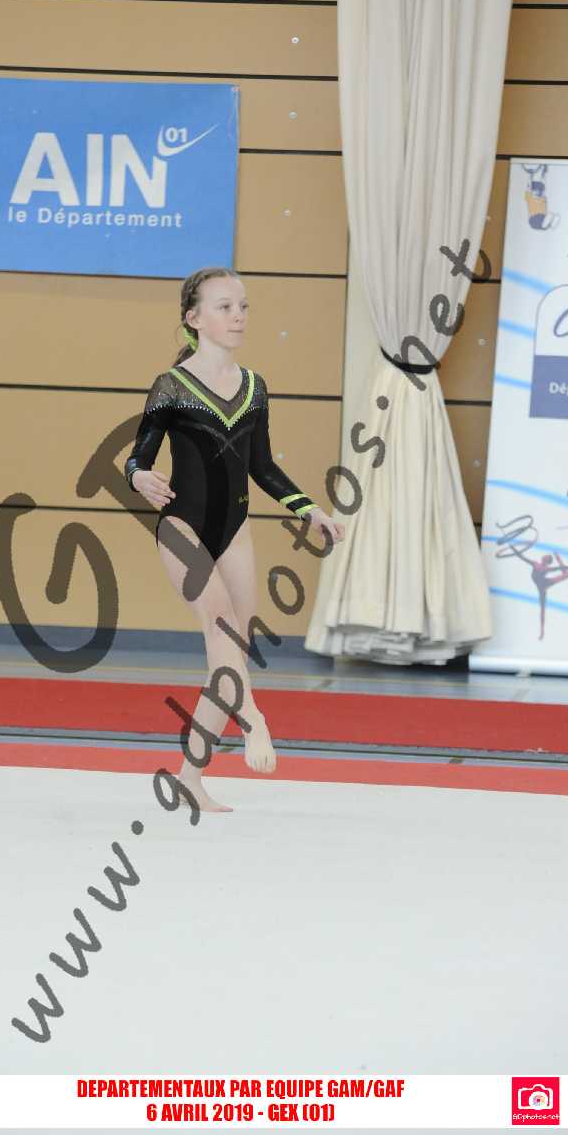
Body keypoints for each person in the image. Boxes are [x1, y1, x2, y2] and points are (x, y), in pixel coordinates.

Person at [124, 266, 344, 812]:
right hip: (182, 526)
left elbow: (262, 467)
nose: (238, 316)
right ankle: (254, 721)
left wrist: (309, 509)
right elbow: (139, 455)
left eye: (243, 306)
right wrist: (139, 477)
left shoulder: (254, 387)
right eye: (224, 307)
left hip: (235, 529)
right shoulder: (171, 386)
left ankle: (190, 779)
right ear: (194, 318)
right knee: (221, 627)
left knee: (229, 658)